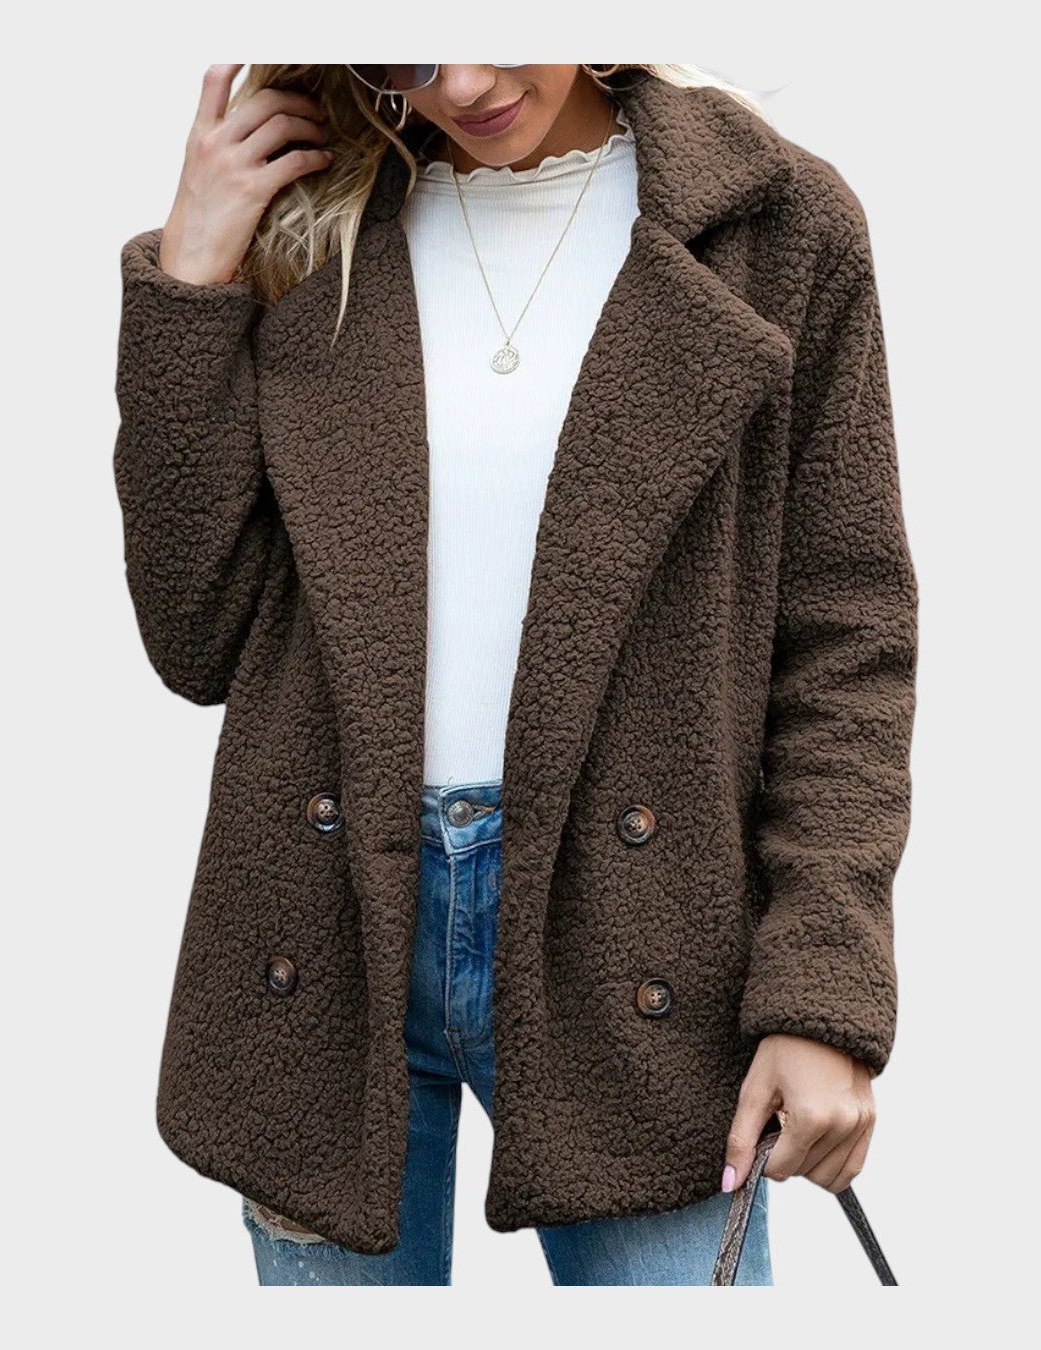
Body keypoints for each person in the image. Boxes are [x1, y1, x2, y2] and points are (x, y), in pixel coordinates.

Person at [113, 63, 918, 1285]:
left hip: (646, 933)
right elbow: (195, 635)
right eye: (411, 50)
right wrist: (191, 281)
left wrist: (823, 989)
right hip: (328, 928)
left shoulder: (778, 227)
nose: (467, 82)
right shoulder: (310, 232)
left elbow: (847, 643)